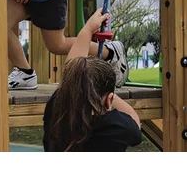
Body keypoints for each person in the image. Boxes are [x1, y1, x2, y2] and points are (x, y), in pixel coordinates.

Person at [42, 8, 142, 154]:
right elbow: (134, 120)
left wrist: (88, 30)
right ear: (108, 100)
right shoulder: (114, 126)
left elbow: (69, 79)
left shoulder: (56, 114)